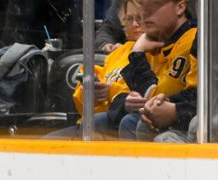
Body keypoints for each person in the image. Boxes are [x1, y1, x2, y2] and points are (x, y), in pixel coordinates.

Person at [44, 0, 145, 139]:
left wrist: (111, 91)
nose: (134, 25)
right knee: (47, 141)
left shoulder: (154, 53)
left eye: (140, 19)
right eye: (129, 19)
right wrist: (89, 93)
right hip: (90, 126)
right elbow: (83, 107)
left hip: (112, 129)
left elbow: (143, 96)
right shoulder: (117, 53)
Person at [114, 0, 196, 141]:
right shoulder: (155, 40)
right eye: (142, 6)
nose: (144, 14)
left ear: (180, 7)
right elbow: (129, 93)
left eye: (156, 4)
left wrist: (137, 54)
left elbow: (155, 98)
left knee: (133, 123)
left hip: (192, 120)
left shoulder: (192, 39)